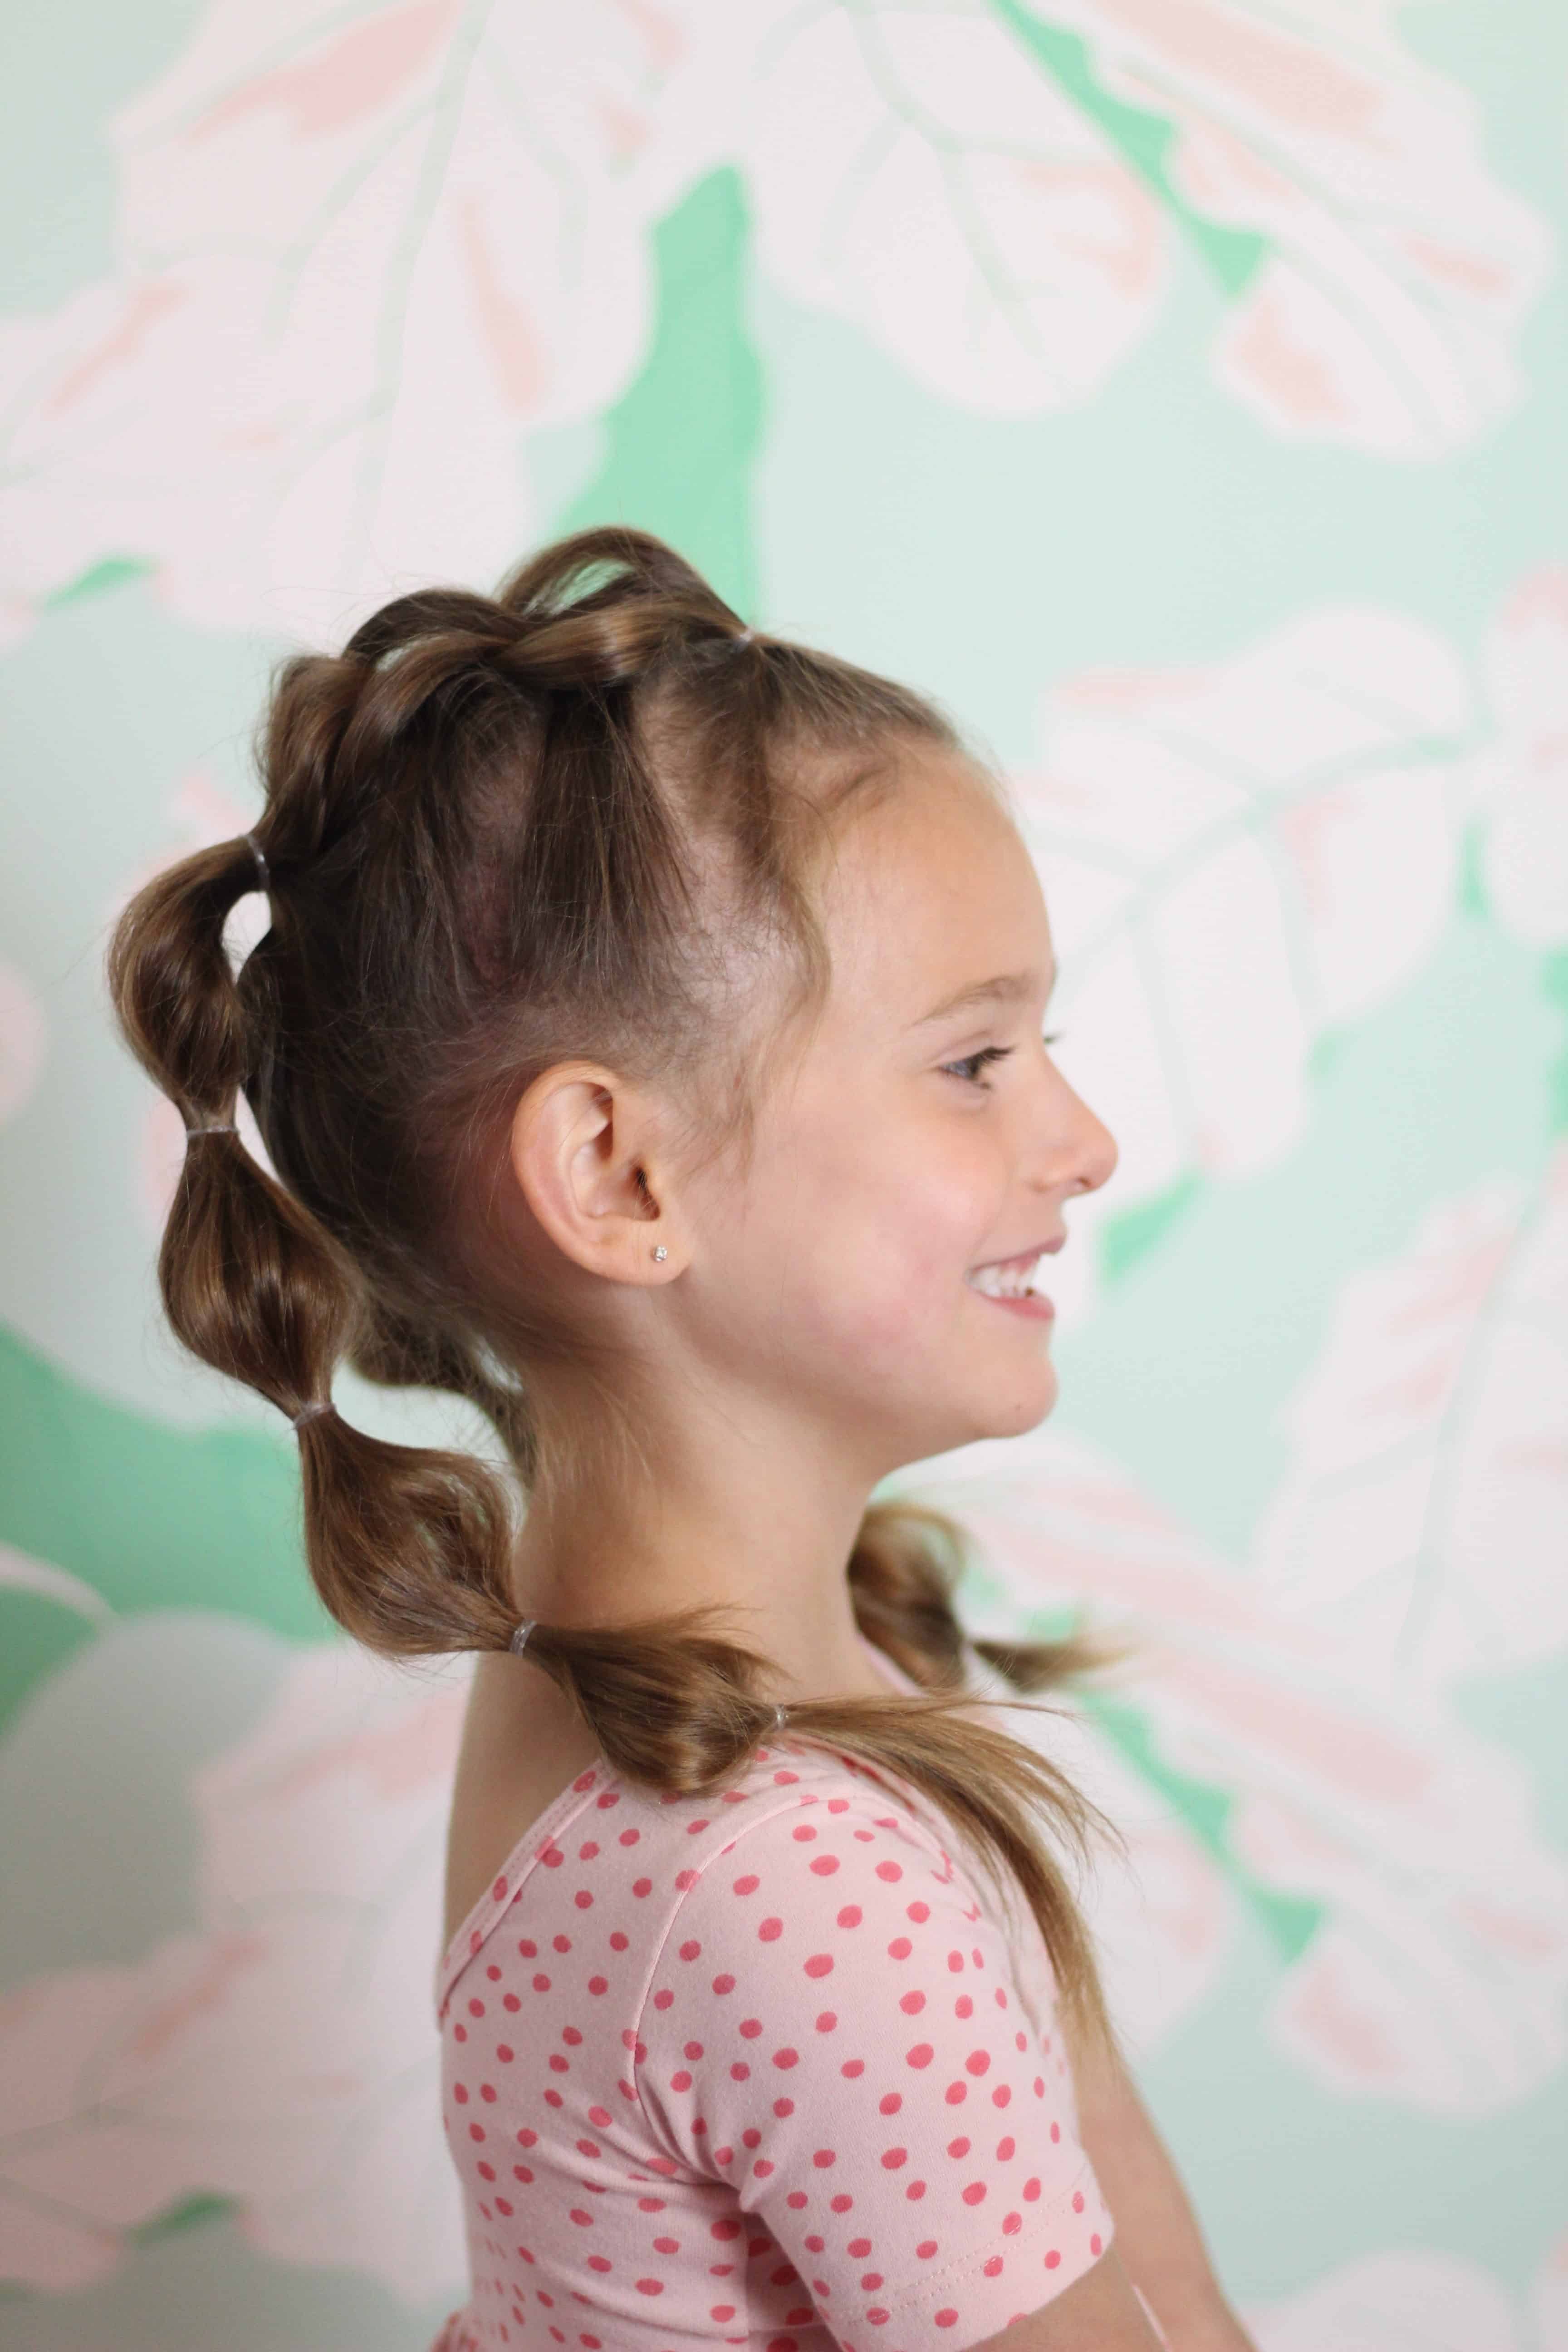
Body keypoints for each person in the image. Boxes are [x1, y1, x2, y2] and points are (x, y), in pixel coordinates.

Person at [108, 528, 1255, 2351]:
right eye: (977, 1063)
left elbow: (1113, 2201)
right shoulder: (792, 1872)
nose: (1085, 1139)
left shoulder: (655, 1675)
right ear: (621, 1175)